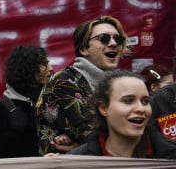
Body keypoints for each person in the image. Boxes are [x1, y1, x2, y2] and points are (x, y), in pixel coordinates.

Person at [37, 15, 128, 154]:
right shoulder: (63, 82)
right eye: (104, 38)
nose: (113, 43)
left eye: (118, 39)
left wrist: (81, 147)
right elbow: (91, 136)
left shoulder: (123, 83)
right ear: (84, 48)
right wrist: (86, 147)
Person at [69, 71, 176, 159]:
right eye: (128, 101)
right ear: (103, 108)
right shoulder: (77, 161)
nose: (140, 108)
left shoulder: (171, 157)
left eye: (145, 101)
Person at [0, 45, 52, 158]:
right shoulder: (1, 110)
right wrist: (13, 133)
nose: (50, 68)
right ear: (29, 67)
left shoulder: (49, 101)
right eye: (44, 64)